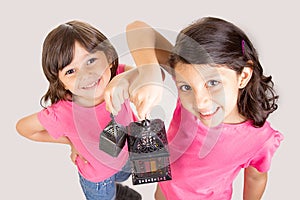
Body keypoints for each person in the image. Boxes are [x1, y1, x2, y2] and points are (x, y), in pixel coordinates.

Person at [105, 17, 284, 199]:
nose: (200, 103)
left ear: (243, 76)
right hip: (164, 193)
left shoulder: (260, 139)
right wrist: (148, 72)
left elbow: (255, 178)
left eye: (213, 83)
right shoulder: (187, 71)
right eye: (186, 87)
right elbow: (138, 29)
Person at [16, 20, 142, 200]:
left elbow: (139, 73)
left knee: (122, 176)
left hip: (125, 155)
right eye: (70, 71)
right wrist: (70, 141)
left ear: (108, 58)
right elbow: (23, 128)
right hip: (98, 178)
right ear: (61, 83)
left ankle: (118, 190)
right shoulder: (62, 113)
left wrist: (131, 81)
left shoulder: (117, 78)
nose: (85, 74)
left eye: (91, 60)